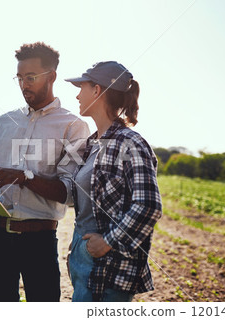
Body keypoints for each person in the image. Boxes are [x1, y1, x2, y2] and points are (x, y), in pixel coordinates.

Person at [0, 42, 90, 302]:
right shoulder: (3, 122)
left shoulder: (73, 125)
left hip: (39, 239)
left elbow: (69, 193)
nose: (24, 84)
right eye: (19, 78)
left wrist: (23, 177)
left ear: (51, 77)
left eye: (31, 77)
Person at [64, 61, 162, 302]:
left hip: (107, 265)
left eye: (82, 87)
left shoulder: (130, 142)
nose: (77, 95)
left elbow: (148, 206)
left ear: (97, 90)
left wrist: (107, 242)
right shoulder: (91, 144)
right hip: (84, 256)